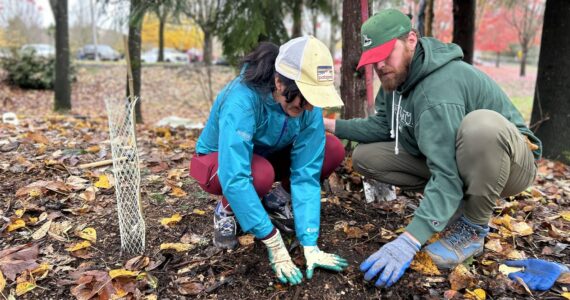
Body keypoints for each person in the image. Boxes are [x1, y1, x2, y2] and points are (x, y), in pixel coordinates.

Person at [323, 9, 542, 287]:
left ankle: (472, 228)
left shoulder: (437, 92)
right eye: (374, 59)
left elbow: (448, 172)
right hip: (459, 158)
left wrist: (409, 240)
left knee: (482, 126)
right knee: (367, 156)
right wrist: (329, 126)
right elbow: (383, 126)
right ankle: (454, 204)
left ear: (411, 40)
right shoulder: (396, 76)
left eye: (385, 54)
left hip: (510, 162)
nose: (379, 66)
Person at [191, 36, 348, 285]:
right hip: (218, 162)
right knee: (259, 175)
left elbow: (307, 173)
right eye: (302, 101)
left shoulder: (307, 106)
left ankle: (275, 201)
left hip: (267, 155)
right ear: (279, 82)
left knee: (331, 148)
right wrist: (272, 239)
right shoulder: (242, 99)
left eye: (312, 100)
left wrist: (310, 241)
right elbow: (235, 175)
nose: (308, 109)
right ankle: (226, 210)